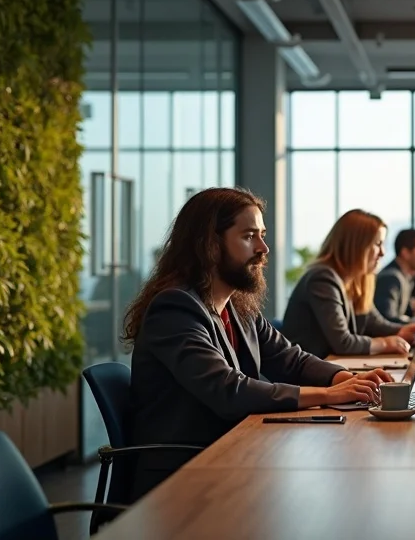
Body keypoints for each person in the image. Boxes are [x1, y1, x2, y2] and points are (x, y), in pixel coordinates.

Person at [124, 188, 390, 501]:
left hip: (232, 455)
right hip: (185, 476)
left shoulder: (236, 306)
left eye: (262, 235)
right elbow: (228, 390)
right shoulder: (174, 309)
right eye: (249, 236)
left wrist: (344, 378)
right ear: (210, 244)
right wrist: (329, 395)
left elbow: (290, 359)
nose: (263, 248)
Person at [282, 210, 415, 359]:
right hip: (309, 373)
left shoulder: (356, 279)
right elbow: (342, 342)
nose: (382, 252)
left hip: (332, 366)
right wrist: (385, 343)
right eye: (377, 244)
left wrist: (401, 331)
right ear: (356, 246)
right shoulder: (322, 278)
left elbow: (373, 321)